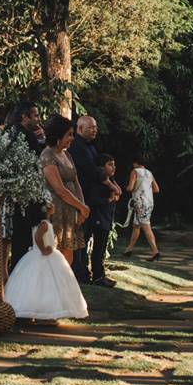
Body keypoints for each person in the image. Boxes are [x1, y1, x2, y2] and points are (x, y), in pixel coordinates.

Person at [69, 116, 121, 287]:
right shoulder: (77, 146)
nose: (95, 130)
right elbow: (91, 170)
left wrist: (111, 184)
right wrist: (110, 185)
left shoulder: (90, 147)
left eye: (95, 127)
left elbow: (101, 170)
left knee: (96, 237)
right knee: (84, 238)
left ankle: (95, 273)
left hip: (95, 199)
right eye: (91, 127)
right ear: (80, 128)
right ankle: (82, 272)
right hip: (86, 198)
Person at [5, 215, 88, 320]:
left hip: (46, 255)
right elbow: (38, 238)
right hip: (43, 255)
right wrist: (43, 249)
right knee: (44, 283)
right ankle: (44, 313)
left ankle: (41, 314)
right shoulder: (44, 224)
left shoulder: (43, 223)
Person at [40, 115, 89, 265]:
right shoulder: (47, 156)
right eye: (69, 134)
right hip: (57, 212)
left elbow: (76, 181)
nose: (72, 138)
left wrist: (82, 207)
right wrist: (81, 207)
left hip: (71, 211)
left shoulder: (66, 154)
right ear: (57, 135)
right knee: (56, 256)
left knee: (69, 257)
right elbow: (59, 189)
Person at [8, 102, 45, 272]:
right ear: (24, 116)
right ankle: (19, 275)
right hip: (23, 194)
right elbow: (38, 160)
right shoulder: (22, 135)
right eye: (35, 115)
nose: (38, 119)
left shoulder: (13, 132)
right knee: (22, 239)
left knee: (21, 239)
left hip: (22, 192)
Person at [122, 157, 161, 259]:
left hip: (140, 202)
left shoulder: (135, 171)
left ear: (135, 163)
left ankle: (155, 251)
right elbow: (156, 189)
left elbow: (130, 187)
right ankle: (129, 250)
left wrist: (127, 188)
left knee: (146, 226)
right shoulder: (149, 173)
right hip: (149, 202)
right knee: (136, 226)